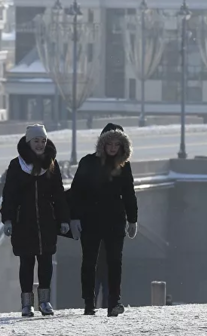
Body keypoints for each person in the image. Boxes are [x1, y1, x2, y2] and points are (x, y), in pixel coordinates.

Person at [0, 124, 70, 317]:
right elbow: (9, 195)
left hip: (47, 221)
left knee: (46, 262)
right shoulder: (17, 165)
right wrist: (8, 219)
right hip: (24, 222)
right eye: (36, 141)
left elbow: (58, 194)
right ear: (29, 142)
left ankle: (45, 302)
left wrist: (63, 219)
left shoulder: (52, 165)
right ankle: (26, 303)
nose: (40, 145)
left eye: (43, 141)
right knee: (27, 263)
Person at [69, 123, 138, 317]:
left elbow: (129, 193)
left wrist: (132, 219)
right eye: (110, 143)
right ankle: (89, 302)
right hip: (90, 219)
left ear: (123, 145)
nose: (113, 148)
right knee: (89, 261)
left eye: (117, 144)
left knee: (115, 261)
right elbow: (76, 192)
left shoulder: (124, 166)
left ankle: (114, 302)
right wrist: (74, 217)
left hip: (115, 219)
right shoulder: (88, 162)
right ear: (102, 144)